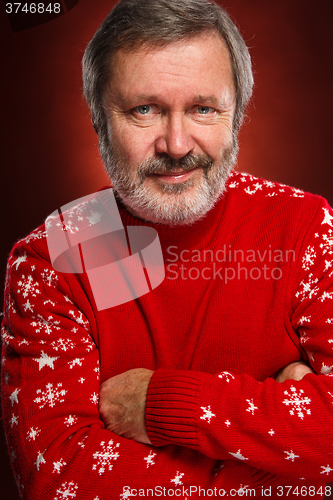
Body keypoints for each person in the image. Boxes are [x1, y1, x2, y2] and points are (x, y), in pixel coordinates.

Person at [2, 0, 333, 498]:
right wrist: (290, 472)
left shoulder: (304, 227)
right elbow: (61, 478)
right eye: (144, 110)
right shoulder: (53, 261)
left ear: (237, 114)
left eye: (203, 108)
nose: (177, 144)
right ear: (98, 121)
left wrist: (162, 407)